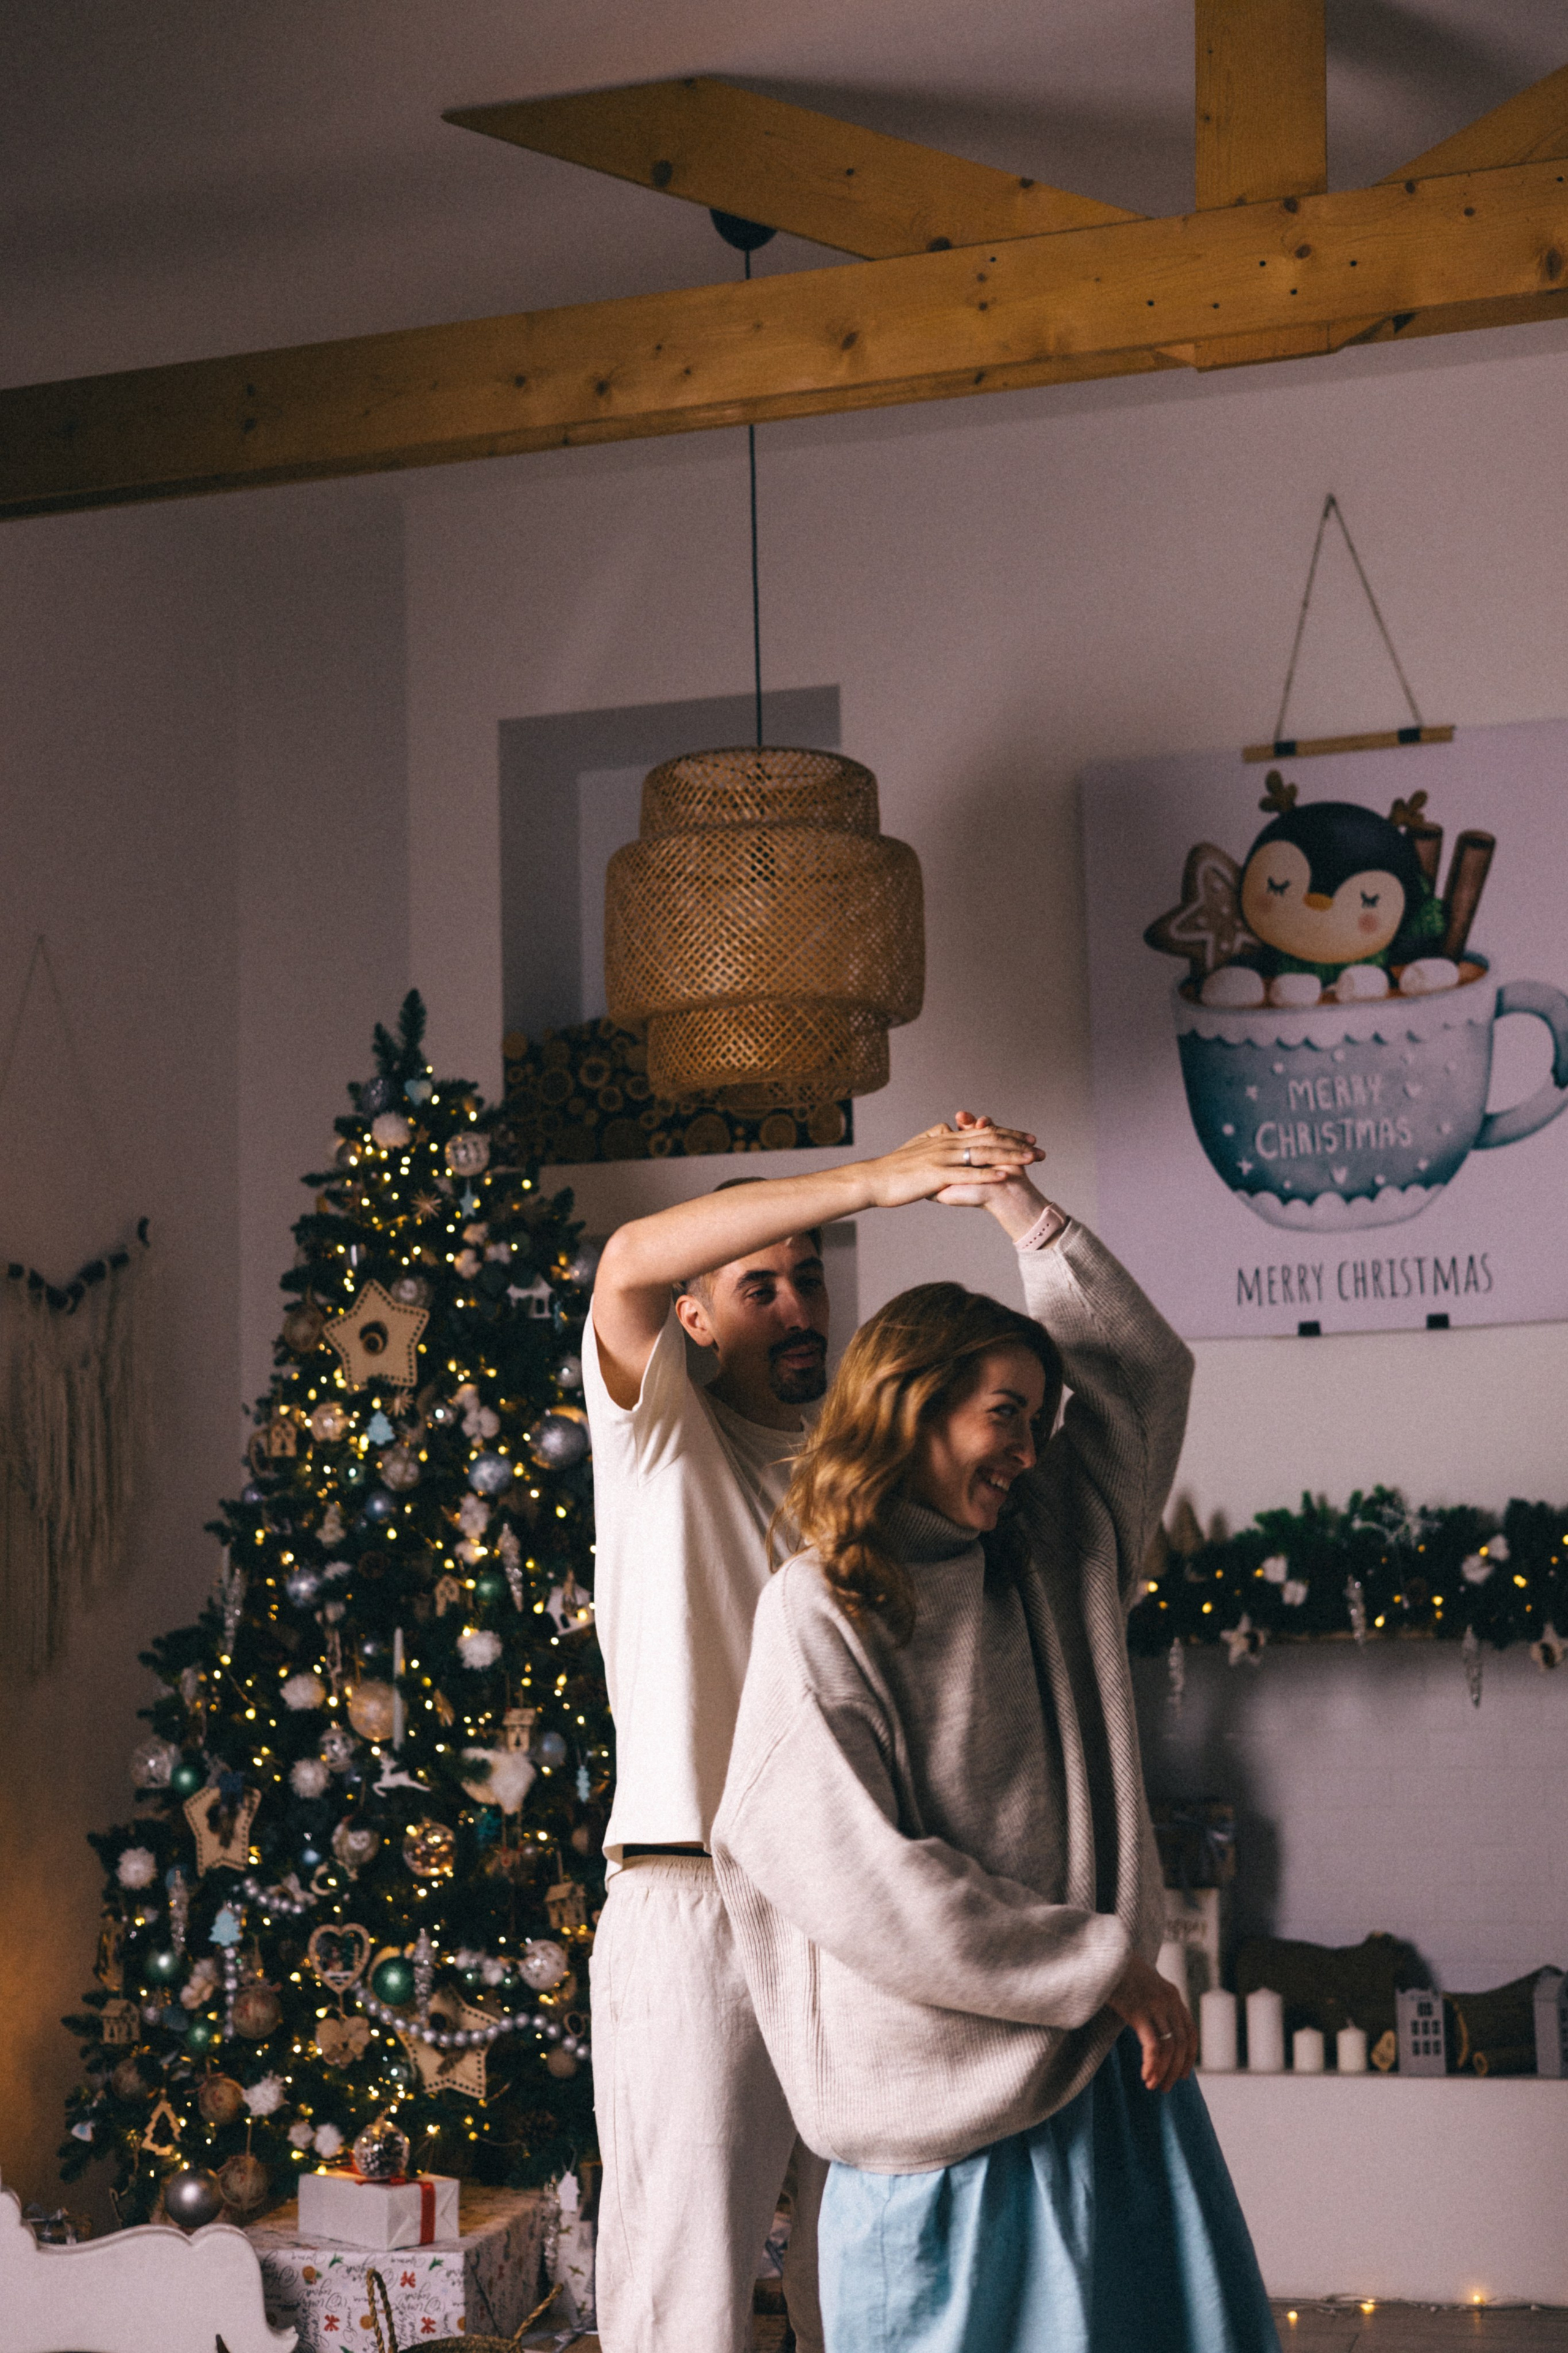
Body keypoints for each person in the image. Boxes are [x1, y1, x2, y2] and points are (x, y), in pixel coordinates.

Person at [710, 1135, 1280, 2353]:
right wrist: (1100, 1965)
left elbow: (1139, 1378)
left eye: (1038, 1419)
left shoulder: (1046, 1551)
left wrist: (1022, 1213)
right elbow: (863, 1877)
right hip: (941, 2125)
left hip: (1100, 2076)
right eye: (1003, 1416)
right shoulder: (819, 1608)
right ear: (909, 1407)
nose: (1028, 1448)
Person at [583, 1115, 1046, 2353]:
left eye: (810, 1278)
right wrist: (878, 1182)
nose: (798, 1307)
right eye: (761, 1286)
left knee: (875, 2289)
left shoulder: (868, 1483)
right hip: (692, 1905)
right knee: (684, 2302)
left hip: (851, 1915)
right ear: (694, 1318)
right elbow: (627, 1260)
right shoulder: (655, 1434)